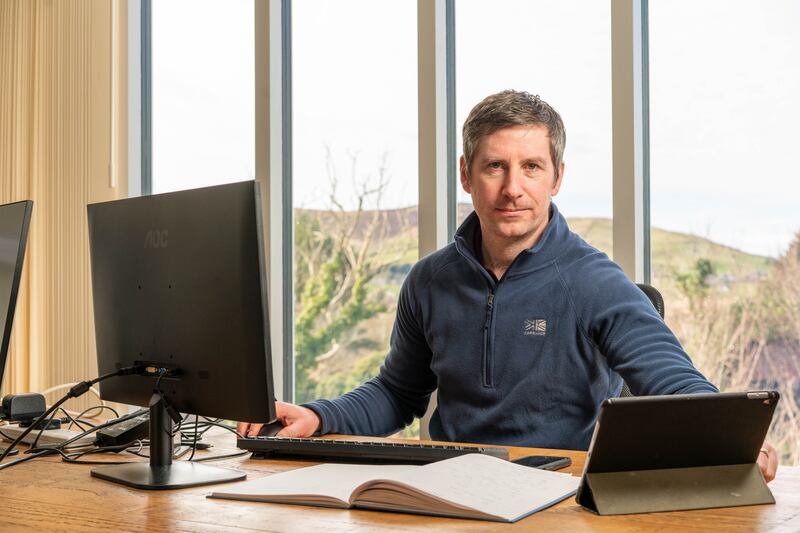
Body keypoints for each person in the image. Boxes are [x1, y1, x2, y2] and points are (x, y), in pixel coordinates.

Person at [239, 90, 778, 482]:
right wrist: (319, 415)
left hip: (557, 492)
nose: (513, 188)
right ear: (466, 174)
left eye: (532, 167)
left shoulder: (595, 280)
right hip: (446, 484)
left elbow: (672, 379)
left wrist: (729, 435)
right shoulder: (428, 280)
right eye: (495, 166)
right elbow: (398, 393)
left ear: (557, 177)